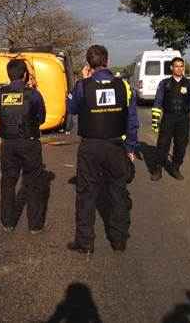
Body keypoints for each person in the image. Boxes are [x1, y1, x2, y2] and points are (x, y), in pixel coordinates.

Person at [67, 45, 138, 256]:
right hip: (116, 146)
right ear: (107, 60)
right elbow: (132, 121)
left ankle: (85, 243)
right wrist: (131, 147)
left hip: (90, 147)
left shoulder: (82, 86)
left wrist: (82, 80)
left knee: (86, 195)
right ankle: (119, 241)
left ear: (89, 64)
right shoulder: (124, 85)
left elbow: (71, 110)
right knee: (118, 193)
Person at [0, 59, 47, 234]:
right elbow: (41, 117)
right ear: (25, 75)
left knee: (8, 183)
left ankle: (7, 222)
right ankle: (35, 225)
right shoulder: (33, 94)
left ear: (9, 74)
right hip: (29, 142)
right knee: (33, 183)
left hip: (8, 143)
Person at [151, 57, 190, 181]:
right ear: (171, 68)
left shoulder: (189, 84)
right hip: (168, 118)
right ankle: (158, 169)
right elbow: (158, 101)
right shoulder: (164, 83)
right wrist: (155, 121)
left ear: (183, 68)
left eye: (181, 66)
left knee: (181, 145)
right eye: (177, 66)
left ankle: (175, 167)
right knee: (163, 144)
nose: (179, 68)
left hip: (183, 119)